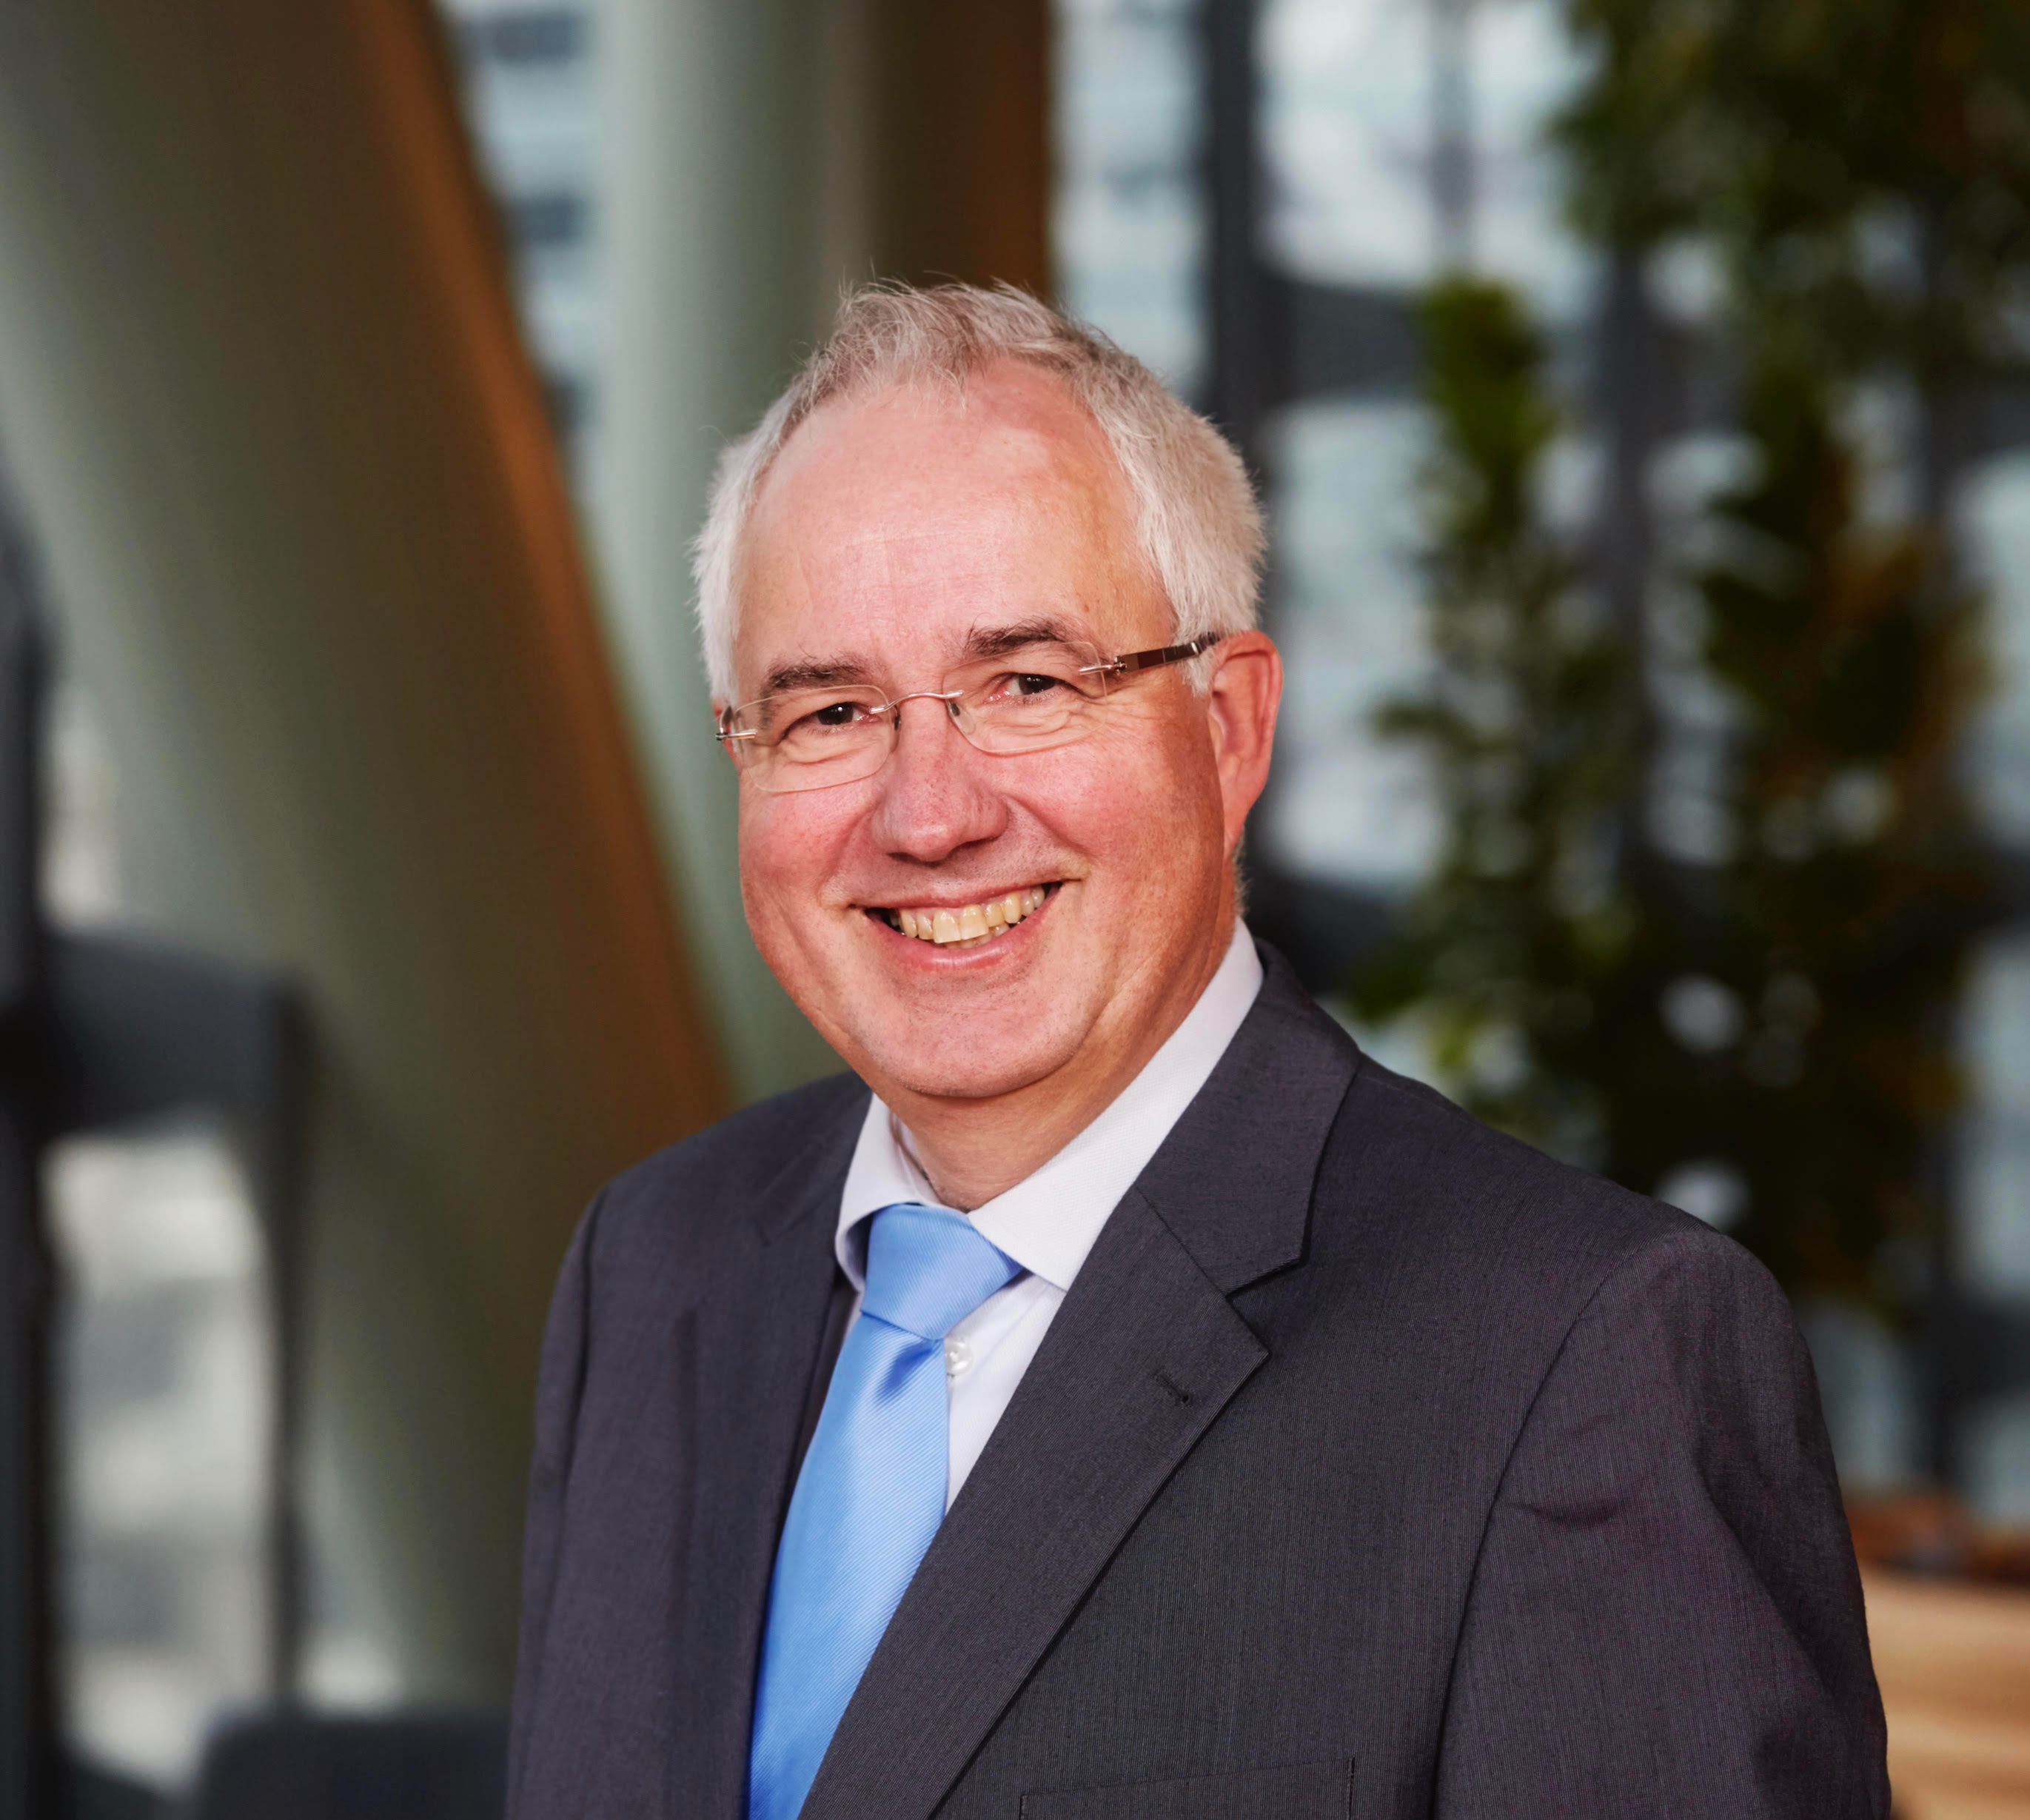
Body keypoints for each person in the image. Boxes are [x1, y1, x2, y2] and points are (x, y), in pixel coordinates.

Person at [506, 284, 1886, 1820]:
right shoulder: (652, 1264)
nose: (929, 813)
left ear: (1229, 727)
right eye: (829, 710)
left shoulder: (1581, 1356)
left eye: (1029, 684)